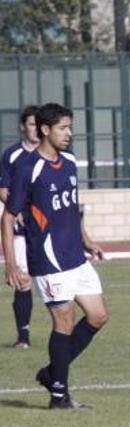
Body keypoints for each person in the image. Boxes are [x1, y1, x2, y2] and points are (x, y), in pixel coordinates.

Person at [2, 103, 110, 410]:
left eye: (70, 127)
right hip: (48, 258)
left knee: (98, 316)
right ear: (45, 130)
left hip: (75, 254)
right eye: (63, 128)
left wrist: (87, 240)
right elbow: (8, 218)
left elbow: (71, 207)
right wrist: (10, 263)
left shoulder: (71, 162)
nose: (69, 134)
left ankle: (51, 373)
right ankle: (59, 395)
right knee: (64, 322)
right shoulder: (28, 168)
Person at [0, 105, 39, 349]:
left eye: (39, 124)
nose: (37, 129)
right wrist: (20, 211)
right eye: (32, 124)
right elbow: (3, 191)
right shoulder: (12, 155)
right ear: (23, 126)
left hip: (48, 229)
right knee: (23, 280)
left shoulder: (54, 154)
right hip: (21, 228)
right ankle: (23, 336)